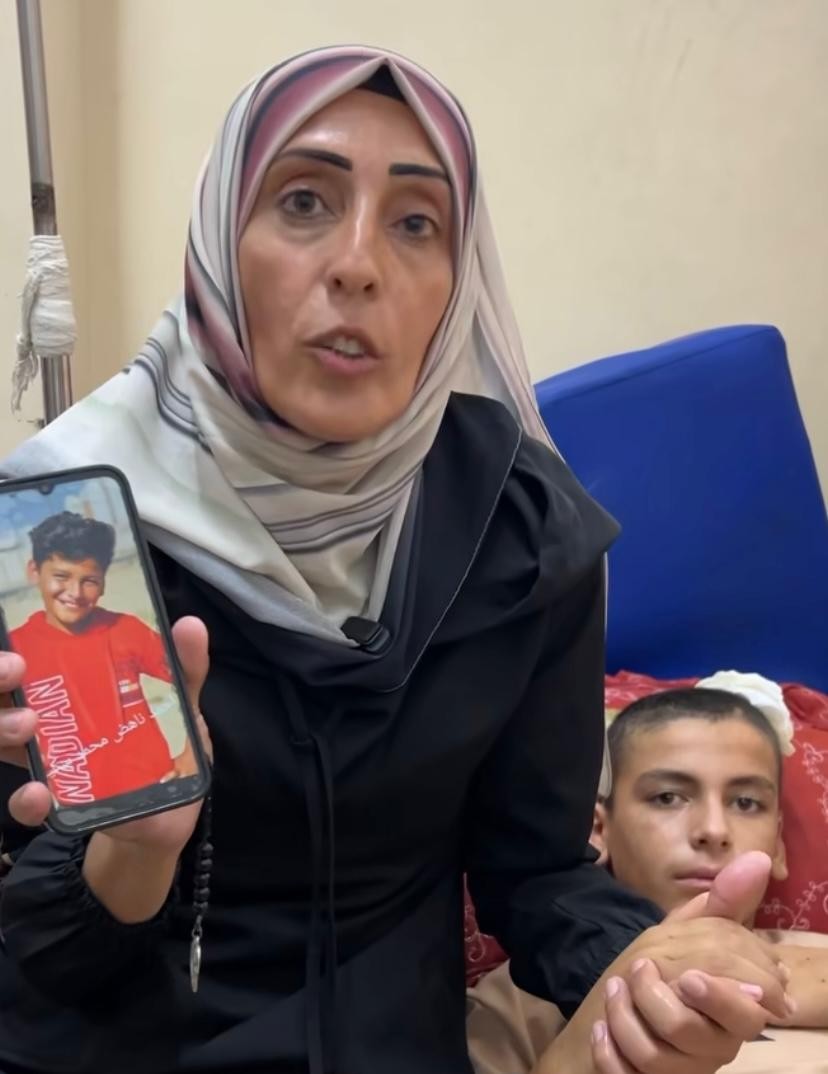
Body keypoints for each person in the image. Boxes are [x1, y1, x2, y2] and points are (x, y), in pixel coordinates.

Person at [0, 47, 789, 1074]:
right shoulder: (75, 524)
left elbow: (537, 874)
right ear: (220, 245)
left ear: (457, 284)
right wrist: (136, 846)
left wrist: (645, 968)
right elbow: (47, 963)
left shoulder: (519, 527)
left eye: (416, 223)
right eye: (303, 202)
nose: (358, 264)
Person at [468, 686, 828, 1073]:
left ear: (778, 846)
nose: (713, 830)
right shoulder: (520, 1001)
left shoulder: (818, 954)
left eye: (745, 802)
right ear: (597, 830)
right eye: (667, 798)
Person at [7, 510, 194, 805]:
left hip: (157, 792)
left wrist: (190, 753)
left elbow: (195, 684)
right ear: (34, 571)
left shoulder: (126, 629)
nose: (75, 592)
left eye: (90, 580)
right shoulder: (14, 650)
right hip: (80, 809)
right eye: (61, 576)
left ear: (104, 582)